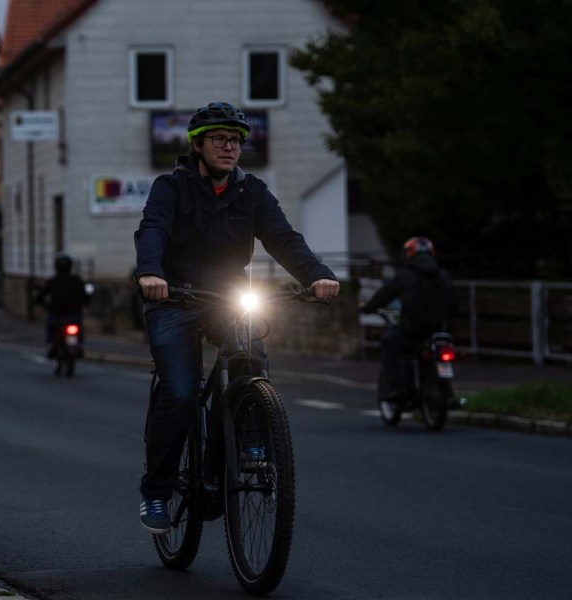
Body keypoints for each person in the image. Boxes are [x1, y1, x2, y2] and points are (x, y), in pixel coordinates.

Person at [133, 101, 340, 534]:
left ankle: (243, 451)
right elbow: (152, 228)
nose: (229, 147)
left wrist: (318, 274)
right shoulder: (171, 187)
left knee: (250, 358)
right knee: (183, 391)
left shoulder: (252, 192)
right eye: (219, 139)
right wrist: (151, 272)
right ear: (198, 145)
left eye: (236, 140)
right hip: (173, 297)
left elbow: (283, 238)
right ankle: (156, 490)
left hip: (226, 296)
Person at [360, 236, 459, 401]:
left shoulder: (405, 275)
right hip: (441, 330)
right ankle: (447, 392)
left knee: (390, 342)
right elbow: (456, 302)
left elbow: (383, 296)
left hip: (414, 330)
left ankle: (396, 387)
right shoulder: (443, 275)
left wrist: (367, 308)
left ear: (408, 255)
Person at [34, 254, 90, 356]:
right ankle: (78, 344)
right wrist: (85, 304)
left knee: (50, 326)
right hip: (74, 313)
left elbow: (41, 295)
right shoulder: (77, 280)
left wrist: (42, 304)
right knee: (79, 326)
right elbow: (85, 295)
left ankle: (51, 344)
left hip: (57, 313)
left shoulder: (53, 281)